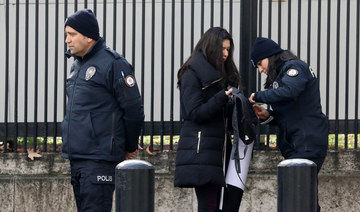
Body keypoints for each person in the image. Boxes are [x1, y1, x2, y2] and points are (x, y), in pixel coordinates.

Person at [61, 9, 144, 212]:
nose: (67, 40)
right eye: (66, 35)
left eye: (72, 34)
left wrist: (130, 146)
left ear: (89, 36)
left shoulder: (114, 63)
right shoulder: (76, 67)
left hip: (99, 159)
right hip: (78, 158)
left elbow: (133, 110)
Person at [249, 37, 328, 212]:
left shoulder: (295, 68)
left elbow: (290, 92)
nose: (261, 70)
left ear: (270, 56)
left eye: (260, 64)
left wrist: (257, 96)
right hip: (299, 143)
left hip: (306, 143)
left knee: (300, 200)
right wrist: (268, 115)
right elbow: (291, 112)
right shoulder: (283, 74)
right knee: (303, 199)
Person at [174, 27, 247, 212]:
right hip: (202, 147)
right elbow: (194, 112)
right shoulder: (192, 73)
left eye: (228, 49)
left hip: (220, 148)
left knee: (225, 205)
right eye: (222, 48)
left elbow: (225, 115)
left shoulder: (223, 74)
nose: (226, 53)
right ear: (210, 47)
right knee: (209, 205)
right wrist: (222, 97)